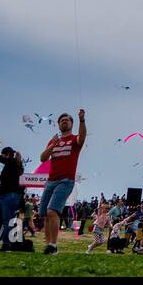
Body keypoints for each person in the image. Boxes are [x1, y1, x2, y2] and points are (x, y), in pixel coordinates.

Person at [38, 109, 87, 255]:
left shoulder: (74, 140)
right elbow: (42, 158)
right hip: (50, 181)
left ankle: (53, 245)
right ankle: (48, 246)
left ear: (72, 124)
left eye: (67, 120)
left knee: (52, 211)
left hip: (65, 181)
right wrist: (52, 145)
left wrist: (82, 120)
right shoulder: (54, 141)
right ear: (58, 124)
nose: (64, 121)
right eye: (61, 120)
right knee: (45, 214)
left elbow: (82, 137)